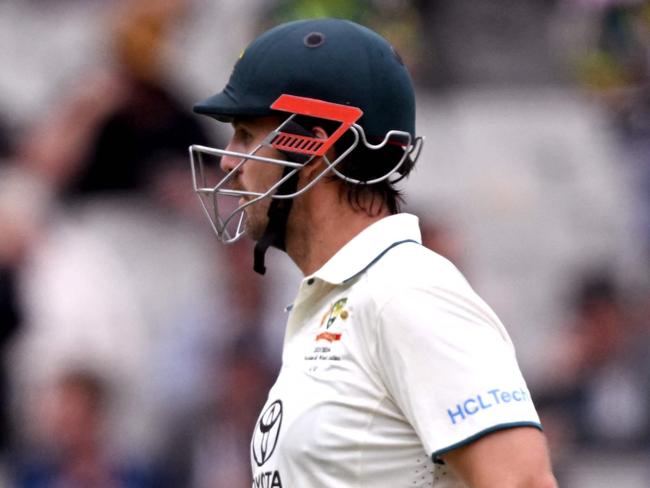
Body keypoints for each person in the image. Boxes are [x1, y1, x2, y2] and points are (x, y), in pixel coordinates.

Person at [188, 18, 557, 488]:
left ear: (315, 144)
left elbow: (524, 483)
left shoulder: (407, 291)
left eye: (245, 134)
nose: (228, 160)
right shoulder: (341, 302)